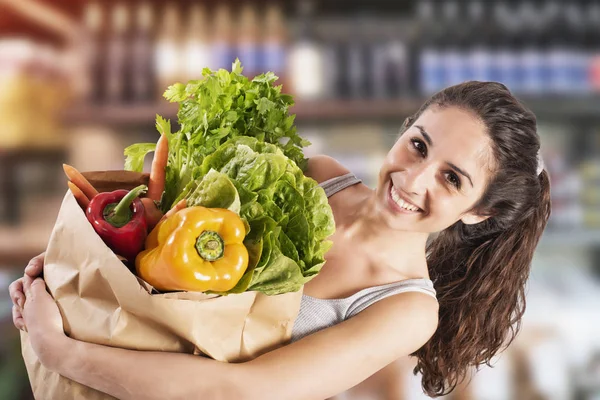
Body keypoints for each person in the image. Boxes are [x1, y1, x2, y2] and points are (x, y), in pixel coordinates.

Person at [9, 81, 551, 400]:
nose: (414, 179)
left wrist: (61, 350)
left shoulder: (406, 308)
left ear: (480, 213)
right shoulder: (314, 174)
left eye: (452, 178)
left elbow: (246, 393)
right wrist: (71, 269)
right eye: (418, 145)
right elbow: (161, 233)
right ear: (404, 127)